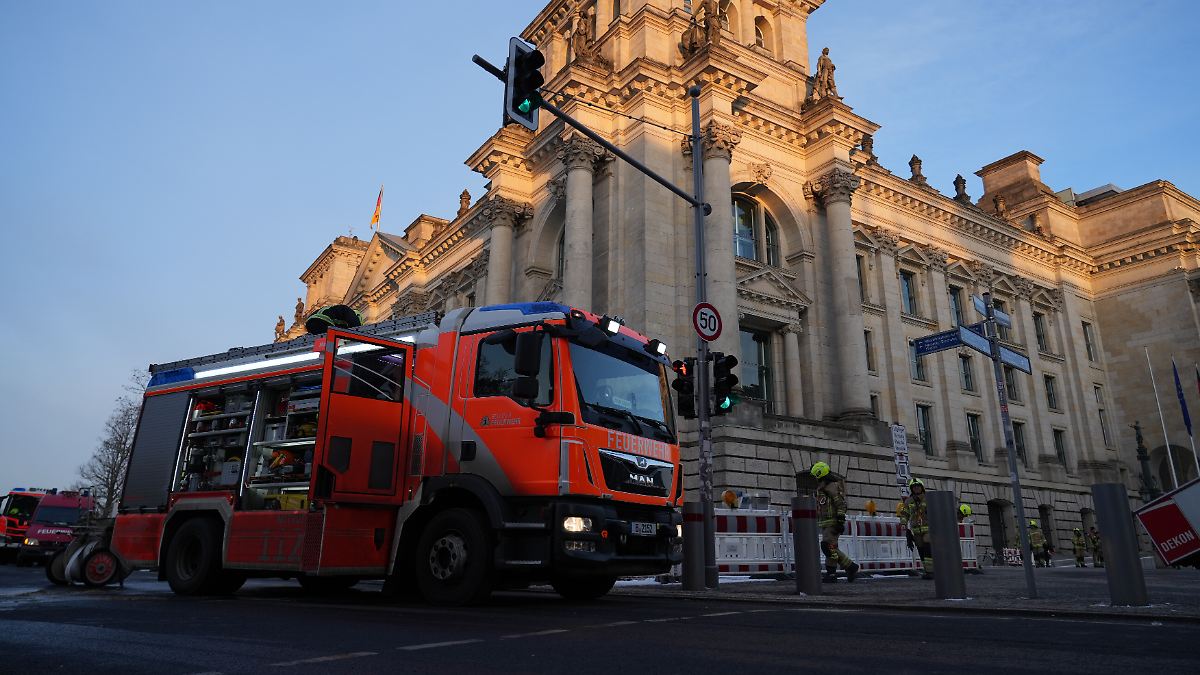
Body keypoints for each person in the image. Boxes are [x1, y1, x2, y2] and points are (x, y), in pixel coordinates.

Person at [811, 461, 859, 583]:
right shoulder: (823, 487)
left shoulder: (831, 486)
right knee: (831, 547)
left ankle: (850, 566)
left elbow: (841, 503)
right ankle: (831, 574)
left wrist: (840, 520)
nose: (815, 479)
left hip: (832, 522)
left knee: (828, 547)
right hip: (826, 522)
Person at [899, 477, 933, 579]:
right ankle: (927, 571)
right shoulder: (908, 501)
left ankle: (932, 571)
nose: (916, 488)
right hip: (916, 530)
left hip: (928, 529)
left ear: (922, 487)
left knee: (928, 548)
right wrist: (903, 523)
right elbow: (904, 513)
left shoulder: (928, 498)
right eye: (914, 487)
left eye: (918, 486)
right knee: (921, 550)